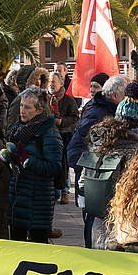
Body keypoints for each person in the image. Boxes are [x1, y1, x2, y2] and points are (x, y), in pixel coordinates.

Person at [78, 115, 138, 248]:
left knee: (96, 251)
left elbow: (82, 183)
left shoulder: (97, 150)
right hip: (126, 214)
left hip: (96, 213)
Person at [4, 88, 63, 242]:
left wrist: (28, 161)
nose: (22, 111)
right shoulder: (18, 129)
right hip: (17, 198)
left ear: (39, 110)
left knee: (38, 248)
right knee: (16, 248)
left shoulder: (49, 132)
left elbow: (55, 167)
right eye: (21, 106)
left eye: (27, 107)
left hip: (38, 201)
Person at [50, 72, 80, 205]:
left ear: (61, 84)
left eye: (53, 82)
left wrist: (61, 122)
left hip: (64, 135)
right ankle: (54, 191)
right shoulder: (45, 99)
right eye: (50, 82)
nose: (51, 84)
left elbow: (74, 118)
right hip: (50, 136)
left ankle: (65, 191)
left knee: (64, 165)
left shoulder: (68, 100)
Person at [3, 64, 49, 134]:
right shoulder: (20, 100)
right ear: (27, 81)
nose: (38, 82)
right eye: (35, 79)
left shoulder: (44, 98)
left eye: (39, 78)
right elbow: (11, 128)